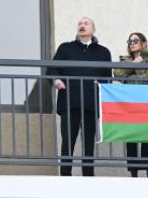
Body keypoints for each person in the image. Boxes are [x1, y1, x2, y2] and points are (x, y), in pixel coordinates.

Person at [47, 17, 112, 177]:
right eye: (80, 24)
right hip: (70, 102)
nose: (82, 26)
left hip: (91, 103)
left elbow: (107, 80)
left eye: (86, 23)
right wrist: (56, 80)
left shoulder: (103, 52)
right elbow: (52, 69)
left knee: (89, 143)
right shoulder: (65, 48)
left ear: (93, 30)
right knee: (68, 140)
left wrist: (104, 105)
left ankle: (88, 176)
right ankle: (65, 175)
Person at [113, 32, 148, 178]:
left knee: (147, 136)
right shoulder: (125, 59)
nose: (132, 43)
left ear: (144, 43)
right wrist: (134, 64)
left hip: (146, 102)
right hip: (130, 102)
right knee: (131, 137)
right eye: (130, 41)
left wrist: (130, 77)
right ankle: (133, 173)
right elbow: (118, 74)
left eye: (135, 40)